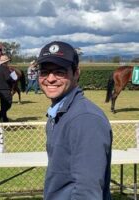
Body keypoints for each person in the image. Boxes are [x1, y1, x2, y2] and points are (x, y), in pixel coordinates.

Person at [37, 41, 112, 200]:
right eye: (44, 72)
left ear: (76, 73)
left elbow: (87, 191)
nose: (50, 78)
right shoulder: (61, 112)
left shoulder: (85, 119)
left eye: (59, 72)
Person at [0, 55, 17, 123]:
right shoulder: (5, 68)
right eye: (8, 62)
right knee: (8, 104)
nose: (8, 63)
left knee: (3, 104)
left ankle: (5, 119)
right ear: (6, 62)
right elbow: (8, 78)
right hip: (5, 89)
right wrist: (14, 80)